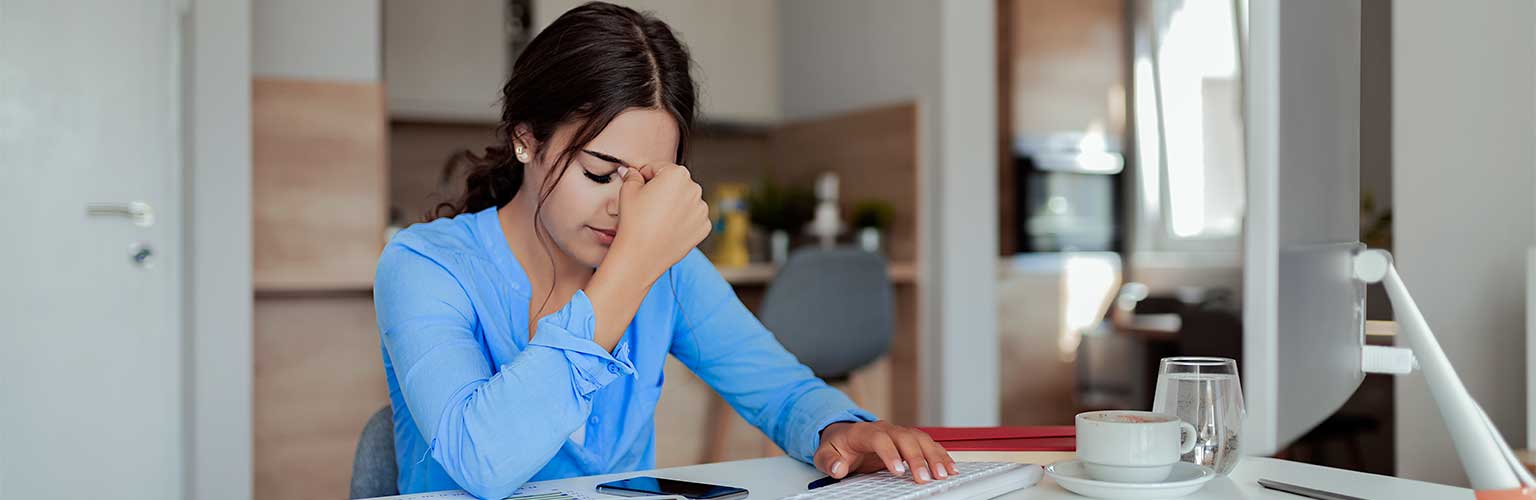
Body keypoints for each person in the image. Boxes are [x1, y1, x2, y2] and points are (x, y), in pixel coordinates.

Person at [372, 2, 954, 498]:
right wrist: (635, 264)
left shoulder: (672, 274)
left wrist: (835, 429)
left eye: (647, 182)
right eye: (600, 173)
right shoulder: (426, 265)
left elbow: (781, 390)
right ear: (527, 140)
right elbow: (483, 462)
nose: (624, 211)